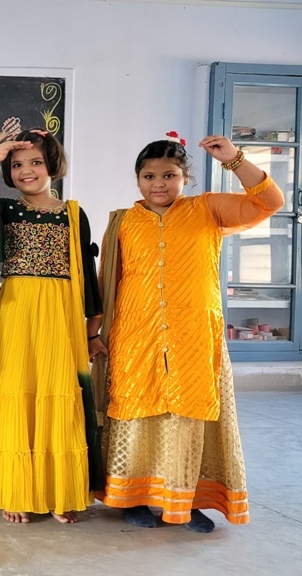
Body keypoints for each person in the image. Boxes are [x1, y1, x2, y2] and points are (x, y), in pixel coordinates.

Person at [98, 133, 283, 532]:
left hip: (193, 335)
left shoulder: (208, 209)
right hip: (136, 333)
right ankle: (133, 498)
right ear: (137, 179)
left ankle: (186, 498)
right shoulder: (124, 222)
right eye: (149, 176)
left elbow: (269, 202)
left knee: (188, 417)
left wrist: (234, 159)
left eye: (169, 175)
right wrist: (96, 332)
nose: (158, 184)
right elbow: (107, 282)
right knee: (136, 414)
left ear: (186, 178)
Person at [0, 128, 104, 524]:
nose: (26, 171)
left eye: (36, 162)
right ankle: (14, 489)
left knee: (58, 391)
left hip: (60, 313)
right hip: (18, 310)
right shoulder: (5, 210)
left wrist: (92, 331)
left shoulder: (73, 213)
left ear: (52, 165)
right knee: (16, 392)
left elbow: (87, 275)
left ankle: (57, 491)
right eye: (18, 164)